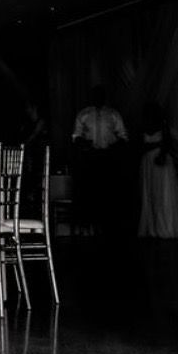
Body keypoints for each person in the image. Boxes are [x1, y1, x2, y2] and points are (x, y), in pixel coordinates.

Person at [72, 84, 129, 239]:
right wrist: (84, 143)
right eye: (95, 95)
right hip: (90, 158)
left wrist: (113, 148)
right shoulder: (84, 114)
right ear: (92, 97)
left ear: (104, 97)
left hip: (108, 158)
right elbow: (76, 136)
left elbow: (123, 136)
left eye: (100, 95)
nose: (98, 98)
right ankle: (91, 226)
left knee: (108, 191)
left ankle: (108, 227)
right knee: (91, 191)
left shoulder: (113, 114)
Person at [137, 102, 178, 239]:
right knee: (151, 194)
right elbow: (141, 146)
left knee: (163, 193)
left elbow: (167, 143)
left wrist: (161, 151)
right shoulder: (143, 126)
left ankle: (166, 227)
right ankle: (153, 227)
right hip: (148, 163)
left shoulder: (163, 125)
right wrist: (158, 144)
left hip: (161, 160)